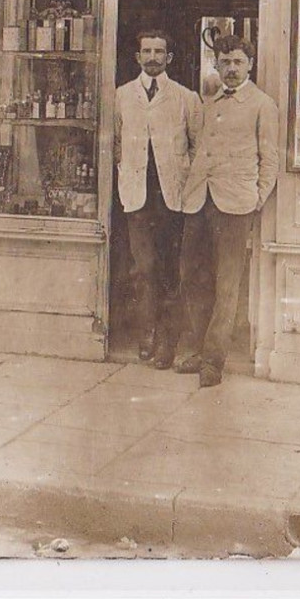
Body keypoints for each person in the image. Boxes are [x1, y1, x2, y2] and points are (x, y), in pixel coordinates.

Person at [175, 35, 279, 388]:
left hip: (235, 206)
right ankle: (201, 348)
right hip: (198, 201)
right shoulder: (207, 102)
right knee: (191, 275)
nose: (231, 68)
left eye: (238, 61)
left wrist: (255, 199)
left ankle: (213, 361)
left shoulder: (262, 105)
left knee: (227, 284)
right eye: (225, 62)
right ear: (216, 65)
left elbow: (270, 160)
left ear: (249, 64)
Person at [114, 30, 203, 369]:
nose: (152, 57)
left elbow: (198, 146)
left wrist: (185, 179)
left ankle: (169, 338)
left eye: (159, 52)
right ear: (137, 57)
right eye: (146, 51)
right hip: (137, 196)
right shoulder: (121, 96)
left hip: (172, 198)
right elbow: (114, 140)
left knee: (170, 270)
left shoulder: (185, 98)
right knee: (142, 268)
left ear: (169, 58)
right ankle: (146, 331)